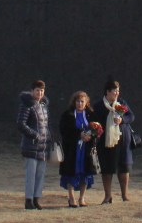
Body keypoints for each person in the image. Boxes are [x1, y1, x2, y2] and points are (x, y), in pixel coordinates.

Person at [95, 79, 135, 203]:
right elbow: (95, 122)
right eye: (114, 91)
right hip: (106, 142)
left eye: (118, 91)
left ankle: (125, 195)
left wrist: (122, 120)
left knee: (124, 168)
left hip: (122, 140)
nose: (117, 93)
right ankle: (107, 196)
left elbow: (131, 116)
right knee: (107, 169)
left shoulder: (121, 103)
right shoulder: (99, 106)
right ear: (107, 92)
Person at [58, 90, 99, 207]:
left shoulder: (91, 114)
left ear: (86, 102)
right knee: (71, 172)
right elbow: (64, 130)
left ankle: (82, 198)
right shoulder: (68, 115)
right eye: (78, 101)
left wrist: (90, 136)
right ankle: (71, 198)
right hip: (72, 149)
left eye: (82, 101)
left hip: (86, 149)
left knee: (85, 173)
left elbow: (98, 130)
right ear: (74, 102)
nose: (80, 104)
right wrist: (79, 134)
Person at [16, 79, 50, 210]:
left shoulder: (43, 105)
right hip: (30, 145)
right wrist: (34, 134)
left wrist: (49, 136)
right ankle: (28, 200)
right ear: (32, 91)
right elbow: (20, 123)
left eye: (42, 91)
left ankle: (37, 198)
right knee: (31, 174)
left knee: (40, 174)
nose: (40, 93)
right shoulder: (27, 104)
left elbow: (46, 125)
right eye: (37, 90)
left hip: (43, 146)